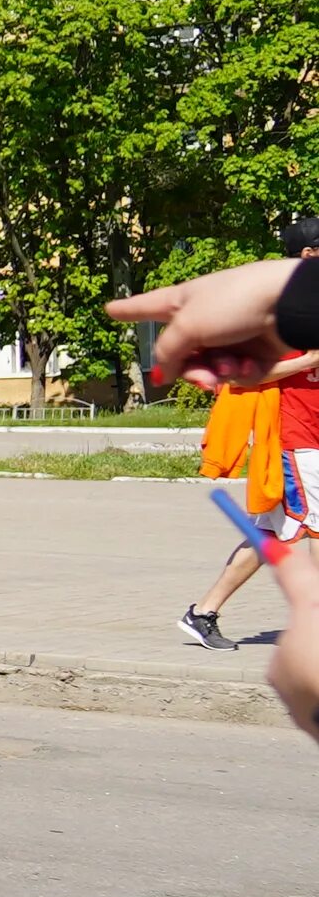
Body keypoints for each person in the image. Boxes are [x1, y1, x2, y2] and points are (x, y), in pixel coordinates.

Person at [181, 218, 319, 651]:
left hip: (312, 435)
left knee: (269, 535)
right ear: (309, 255)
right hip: (294, 439)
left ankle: (202, 613)